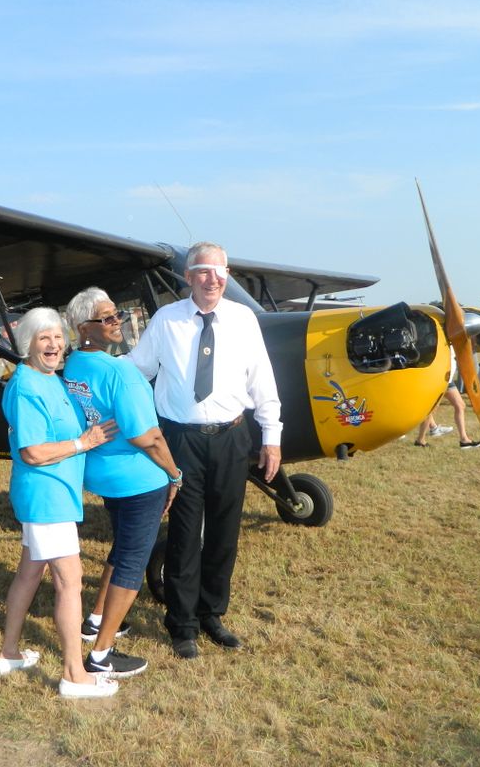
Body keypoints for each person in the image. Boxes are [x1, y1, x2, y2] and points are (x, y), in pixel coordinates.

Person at [129, 242, 282, 660]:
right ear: (188, 276)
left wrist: (271, 436)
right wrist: (96, 371)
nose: (212, 279)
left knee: (223, 531)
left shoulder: (243, 320)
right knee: (183, 532)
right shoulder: (167, 320)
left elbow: (262, 379)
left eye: (219, 271)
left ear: (227, 275)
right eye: (202, 271)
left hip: (232, 438)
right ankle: (182, 624)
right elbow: (138, 369)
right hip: (181, 440)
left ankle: (212, 613)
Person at [0, 307, 119, 698]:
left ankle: (9, 653)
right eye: (43, 338)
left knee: (29, 573)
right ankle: (74, 675)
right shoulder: (26, 386)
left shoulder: (51, 378)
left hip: (55, 494)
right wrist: (83, 442)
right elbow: (32, 451)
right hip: (46, 496)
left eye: (58, 337)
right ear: (28, 343)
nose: (53, 344)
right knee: (70, 583)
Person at [63, 287, 182, 679]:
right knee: (132, 561)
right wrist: (175, 473)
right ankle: (101, 655)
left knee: (123, 547)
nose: (117, 322)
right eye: (107, 318)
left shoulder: (75, 364)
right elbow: (147, 436)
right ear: (84, 328)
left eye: (117, 314)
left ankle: (96, 618)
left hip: (103, 475)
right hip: (138, 480)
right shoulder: (121, 372)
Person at [413, 346, 480, 449]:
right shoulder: (441, 340)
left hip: (448, 379)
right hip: (439, 378)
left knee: (460, 405)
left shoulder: (451, 340)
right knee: (431, 410)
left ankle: (464, 440)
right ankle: (420, 439)